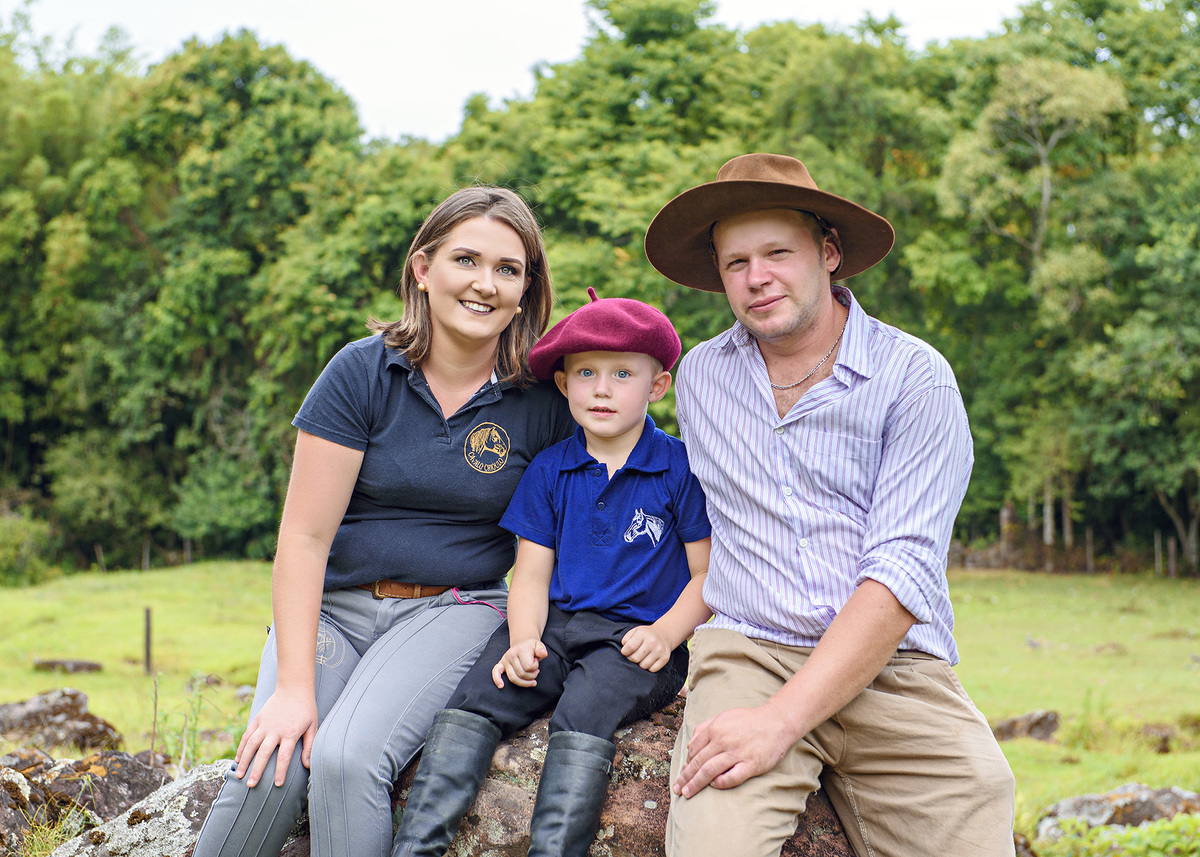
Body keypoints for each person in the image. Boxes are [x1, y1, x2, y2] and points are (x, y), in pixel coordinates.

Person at [642, 153, 1017, 857]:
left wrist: (782, 723)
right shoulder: (698, 379)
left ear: (830, 252)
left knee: (980, 790)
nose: (757, 278)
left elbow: (902, 574)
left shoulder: (915, 378)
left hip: (893, 665)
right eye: (736, 262)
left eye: (778, 252)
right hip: (751, 650)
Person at [192, 186, 576, 857]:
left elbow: (589, 501)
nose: (485, 284)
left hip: (453, 610)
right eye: (466, 259)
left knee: (344, 760)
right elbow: (304, 538)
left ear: (525, 290)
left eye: (508, 269)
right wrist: (292, 688)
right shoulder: (361, 372)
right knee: (272, 765)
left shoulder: (542, 400)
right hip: (334, 611)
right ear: (423, 270)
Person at [390, 288, 712, 857]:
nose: (603, 388)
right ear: (563, 385)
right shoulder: (549, 469)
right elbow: (532, 576)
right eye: (585, 373)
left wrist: (667, 634)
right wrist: (522, 641)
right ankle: (416, 847)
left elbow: (708, 573)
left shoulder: (679, 467)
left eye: (622, 374)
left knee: (584, 711)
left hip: (635, 641)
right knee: (479, 695)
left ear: (658, 385)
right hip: (556, 628)